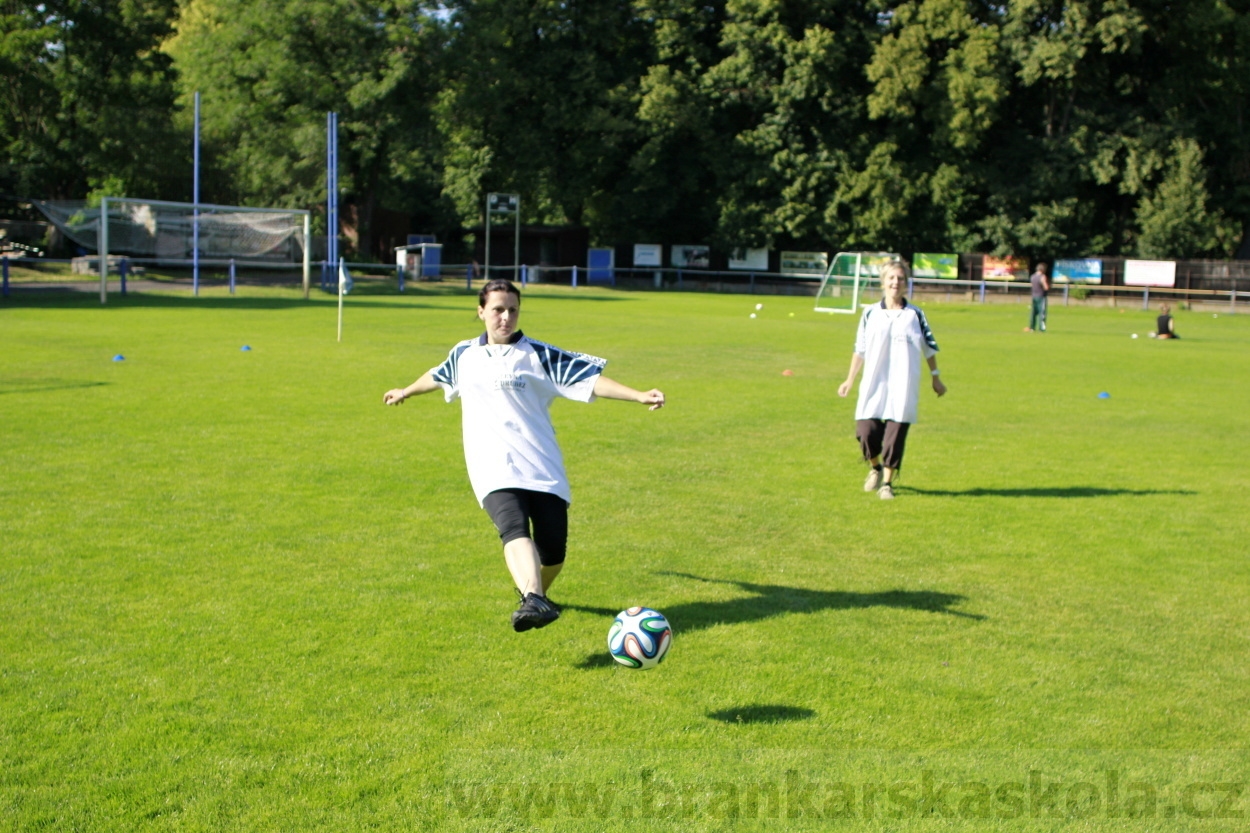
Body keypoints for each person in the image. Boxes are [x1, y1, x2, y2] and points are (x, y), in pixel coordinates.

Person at [383, 279, 665, 632]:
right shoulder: (464, 354)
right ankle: (533, 596)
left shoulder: (539, 355)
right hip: (491, 467)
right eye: (498, 309)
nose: (506, 317)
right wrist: (406, 391)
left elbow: (590, 380)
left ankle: (537, 598)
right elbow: (440, 376)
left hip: (541, 466)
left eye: (513, 310)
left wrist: (638, 394)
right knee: (513, 528)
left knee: (554, 552)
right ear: (481, 310)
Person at [837, 263, 946, 500]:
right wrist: (849, 380)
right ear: (883, 282)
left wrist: (936, 378)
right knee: (865, 432)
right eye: (891, 278)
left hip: (903, 385)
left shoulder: (915, 315)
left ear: (906, 283)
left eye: (900, 278)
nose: (895, 282)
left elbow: (929, 348)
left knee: (894, 438)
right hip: (874, 384)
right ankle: (874, 468)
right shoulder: (870, 313)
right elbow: (860, 349)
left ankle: (887, 484)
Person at [1025, 262, 1050, 332]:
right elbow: (1046, 287)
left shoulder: (1032, 276)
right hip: (1041, 296)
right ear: (1043, 269)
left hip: (1034, 296)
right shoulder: (1042, 277)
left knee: (1033, 313)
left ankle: (1032, 327)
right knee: (1042, 313)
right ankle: (1042, 329)